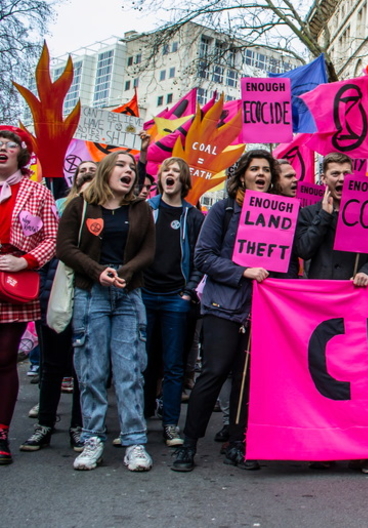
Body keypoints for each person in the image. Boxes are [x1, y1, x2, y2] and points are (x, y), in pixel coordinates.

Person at [172, 150, 281, 473]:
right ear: (242, 175)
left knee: (245, 379)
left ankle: (238, 444)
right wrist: (242, 271)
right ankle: (188, 445)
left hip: (258, 308)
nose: (260, 174)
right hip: (222, 305)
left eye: (266, 170)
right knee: (214, 372)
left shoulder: (280, 214)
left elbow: (285, 262)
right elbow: (203, 256)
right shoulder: (223, 210)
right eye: (254, 169)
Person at [56, 151, 156, 471]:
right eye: (121, 165)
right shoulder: (81, 205)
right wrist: (97, 271)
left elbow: (149, 251)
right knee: (92, 371)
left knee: (129, 372)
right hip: (92, 295)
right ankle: (92, 439)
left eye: (132, 167)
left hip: (128, 295)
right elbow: (66, 248)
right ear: (105, 171)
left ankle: (135, 442)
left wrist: (123, 272)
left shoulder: (140, 209)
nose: (129, 171)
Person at [295, 152, 368, 474]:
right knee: (323, 379)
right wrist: (324, 215)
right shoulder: (308, 213)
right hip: (319, 309)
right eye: (334, 173)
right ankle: (325, 449)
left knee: (358, 381)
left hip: (355, 306)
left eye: (345, 173)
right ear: (324, 179)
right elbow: (303, 250)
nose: (339, 179)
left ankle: (363, 451)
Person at [20, 159, 95, 456]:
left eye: (94, 172)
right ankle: (45, 424)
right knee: (52, 365)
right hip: (53, 294)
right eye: (83, 171)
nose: (87, 175)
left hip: (88, 297)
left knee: (82, 368)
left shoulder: (105, 216)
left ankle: (79, 426)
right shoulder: (56, 210)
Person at [0, 127, 59, 465]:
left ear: (20, 154)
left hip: (13, 281)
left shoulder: (37, 191)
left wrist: (24, 260)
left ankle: (1, 432)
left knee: (5, 358)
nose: (3, 149)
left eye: (9, 145)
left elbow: (51, 240)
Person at [141, 157, 205, 449]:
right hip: (144, 294)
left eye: (177, 171)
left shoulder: (193, 216)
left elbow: (199, 258)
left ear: (184, 180)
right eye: (166, 170)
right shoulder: (146, 210)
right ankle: (140, 418)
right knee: (143, 362)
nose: (171, 175)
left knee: (174, 364)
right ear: (160, 178)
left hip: (176, 298)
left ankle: (170, 423)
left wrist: (188, 292)